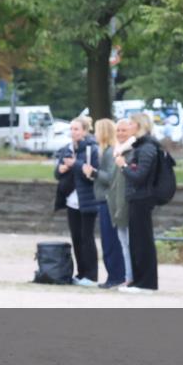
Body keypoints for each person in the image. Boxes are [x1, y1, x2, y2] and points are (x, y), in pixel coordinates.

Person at [54, 116, 100, 286]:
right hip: (71, 200)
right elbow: (57, 174)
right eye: (71, 129)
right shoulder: (66, 148)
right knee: (76, 237)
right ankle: (81, 274)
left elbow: (93, 174)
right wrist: (61, 169)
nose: (73, 132)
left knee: (87, 237)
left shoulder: (92, 149)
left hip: (87, 200)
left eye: (76, 129)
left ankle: (91, 275)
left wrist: (75, 165)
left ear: (85, 131)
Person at [116, 112, 159, 292]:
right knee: (136, 242)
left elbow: (140, 176)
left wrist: (123, 165)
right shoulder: (140, 146)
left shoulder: (147, 147)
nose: (129, 127)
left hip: (142, 198)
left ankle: (146, 283)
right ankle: (137, 280)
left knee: (143, 242)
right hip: (135, 198)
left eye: (132, 124)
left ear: (139, 126)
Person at [87, 118, 125, 288]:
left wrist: (94, 173)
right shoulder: (106, 151)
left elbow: (111, 178)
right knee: (109, 241)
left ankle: (116, 276)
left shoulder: (110, 152)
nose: (94, 134)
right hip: (103, 200)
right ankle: (114, 275)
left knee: (110, 241)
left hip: (108, 201)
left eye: (96, 131)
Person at [106, 118, 136, 286]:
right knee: (124, 244)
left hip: (127, 203)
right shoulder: (117, 151)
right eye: (118, 130)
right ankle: (128, 277)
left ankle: (132, 277)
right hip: (117, 204)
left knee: (130, 243)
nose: (120, 133)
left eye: (124, 130)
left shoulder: (132, 151)